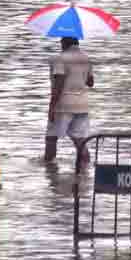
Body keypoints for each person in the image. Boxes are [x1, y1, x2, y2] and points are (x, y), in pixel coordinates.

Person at [45, 36, 94, 167]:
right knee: (80, 140)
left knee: (51, 138)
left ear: (64, 42)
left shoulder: (59, 58)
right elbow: (90, 82)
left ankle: (49, 168)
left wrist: (51, 107)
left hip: (63, 105)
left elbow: (59, 83)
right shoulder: (86, 58)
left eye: (61, 41)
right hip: (82, 105)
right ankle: (85, 169)